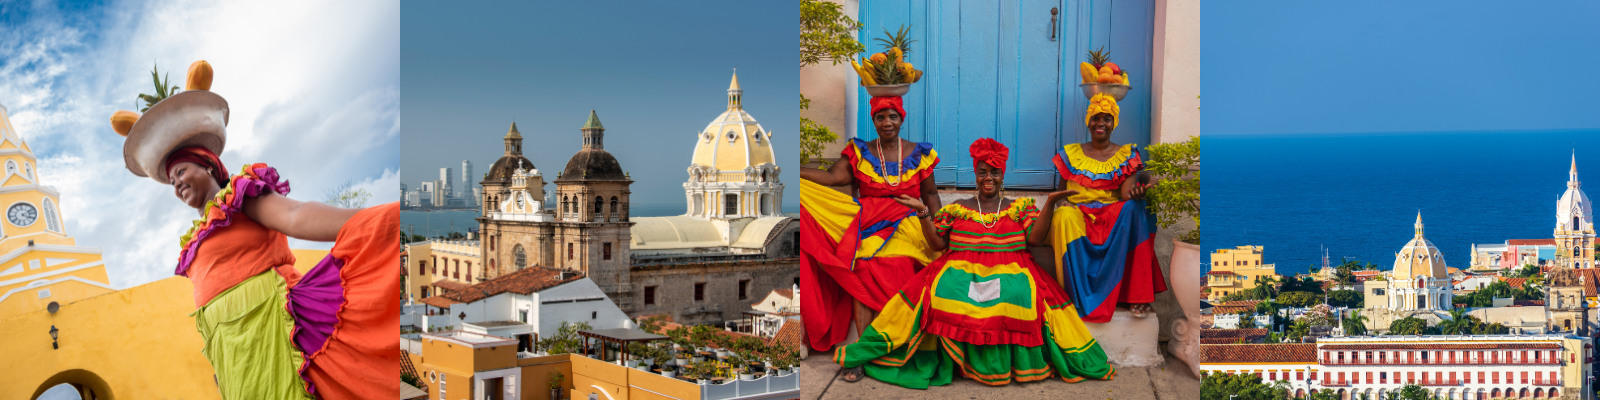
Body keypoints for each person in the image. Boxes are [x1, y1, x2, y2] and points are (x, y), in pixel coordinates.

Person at [112, 64, 397, 399]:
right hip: (234, 358)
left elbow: (295, 215)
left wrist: (365, 221)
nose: (177, 184)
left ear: (207, 165)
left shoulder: (238, 197)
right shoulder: (193, 242)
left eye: (182, 171)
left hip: (272, 330)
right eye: (172, 181)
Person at [831, 138, 1114, 388]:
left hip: (1012, 267)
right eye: (982, 172)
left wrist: (1050, 203)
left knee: (1016, 293)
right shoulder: (957, 209)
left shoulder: (1020, 207)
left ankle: (995, 366)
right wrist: (923, 213)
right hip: (960, 268)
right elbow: (938, 245)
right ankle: (957, 361)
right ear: (975, 175)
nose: (988, 178)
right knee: (947, 292)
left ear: (1002, 176)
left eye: (994, 172)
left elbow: (1035, 242)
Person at [800, 95, 940, 382]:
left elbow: (931, 194)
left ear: (901, 119)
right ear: (873, 121)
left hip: (909, 223)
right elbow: (831, 178)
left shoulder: (919, 153)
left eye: (892, 117)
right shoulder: (859, 152)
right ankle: (862, 352)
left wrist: (939, 226)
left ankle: (897, 343)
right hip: (868, 225)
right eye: (880, 117)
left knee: (900, 261)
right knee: (861, 266)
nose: (887, 122)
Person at [1047, 93, 1167, 323]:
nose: (1101, 123)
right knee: (1062, 214)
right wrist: (1061, 203)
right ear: (1088, 121)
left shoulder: (1125, 154)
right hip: (1078, 215)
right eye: (1096, 118)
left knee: (1135, 207)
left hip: (1110, 215)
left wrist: (1138, 193)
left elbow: (1125, 194)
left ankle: (1137, 295)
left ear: (1114, 124)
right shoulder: (1070, 153)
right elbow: (1061, 193)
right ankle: (1074, 295)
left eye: (1107, 119)